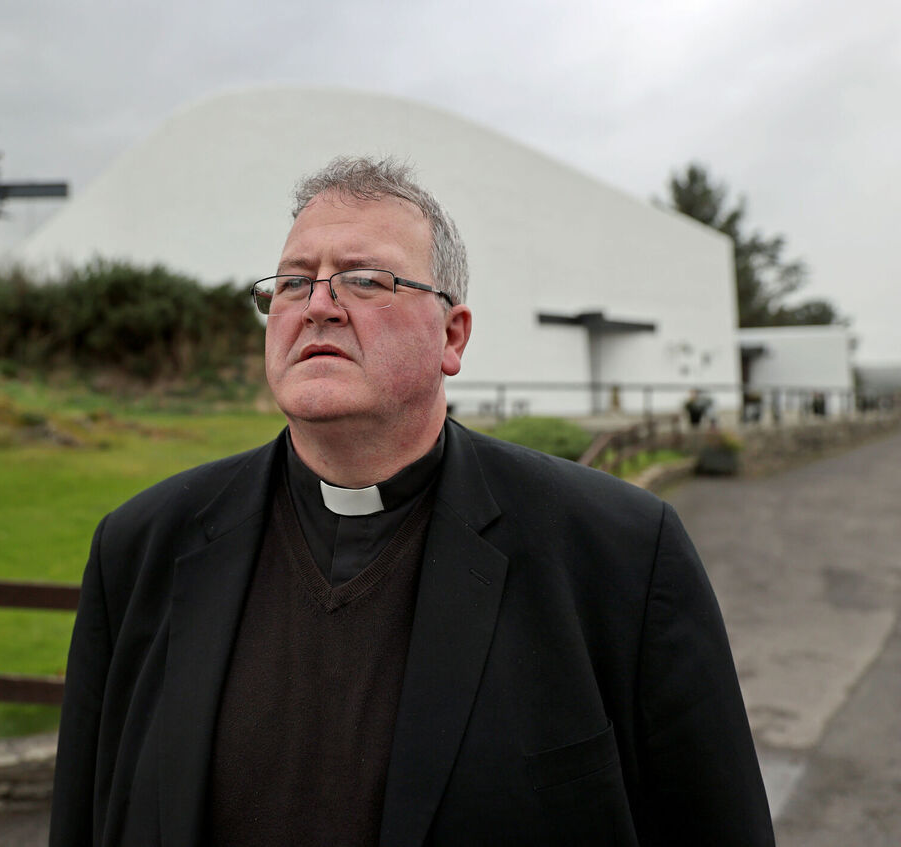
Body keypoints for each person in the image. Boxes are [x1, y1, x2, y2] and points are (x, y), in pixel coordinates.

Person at [49, 157, 774, 846]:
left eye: (364, 279)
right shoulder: (140, 548)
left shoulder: (618, 553)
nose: (319, 306)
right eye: (294, 282)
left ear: (451, 336)